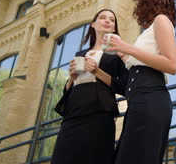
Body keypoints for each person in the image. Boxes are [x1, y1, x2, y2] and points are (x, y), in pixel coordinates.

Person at [106, 0, 176, 164]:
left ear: (151, 2)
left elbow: (172, 64)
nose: (139, 8)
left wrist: (128, 48)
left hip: (150, 99)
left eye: (142, 2)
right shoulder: (150, 30)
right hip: (139, 103)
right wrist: (123, 53)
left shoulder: (161, 20)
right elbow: (139, 63)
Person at [51, 9, 129, 164]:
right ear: (93, 24)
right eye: (102, 18)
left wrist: (96, 71)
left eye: (112, 20)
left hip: (99, 115)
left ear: (114, 28)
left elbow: (124, 86)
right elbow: (67, 90)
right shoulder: (81, 53)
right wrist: (71, 79)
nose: (107, 21)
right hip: (72, 116)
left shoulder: (117, 53)